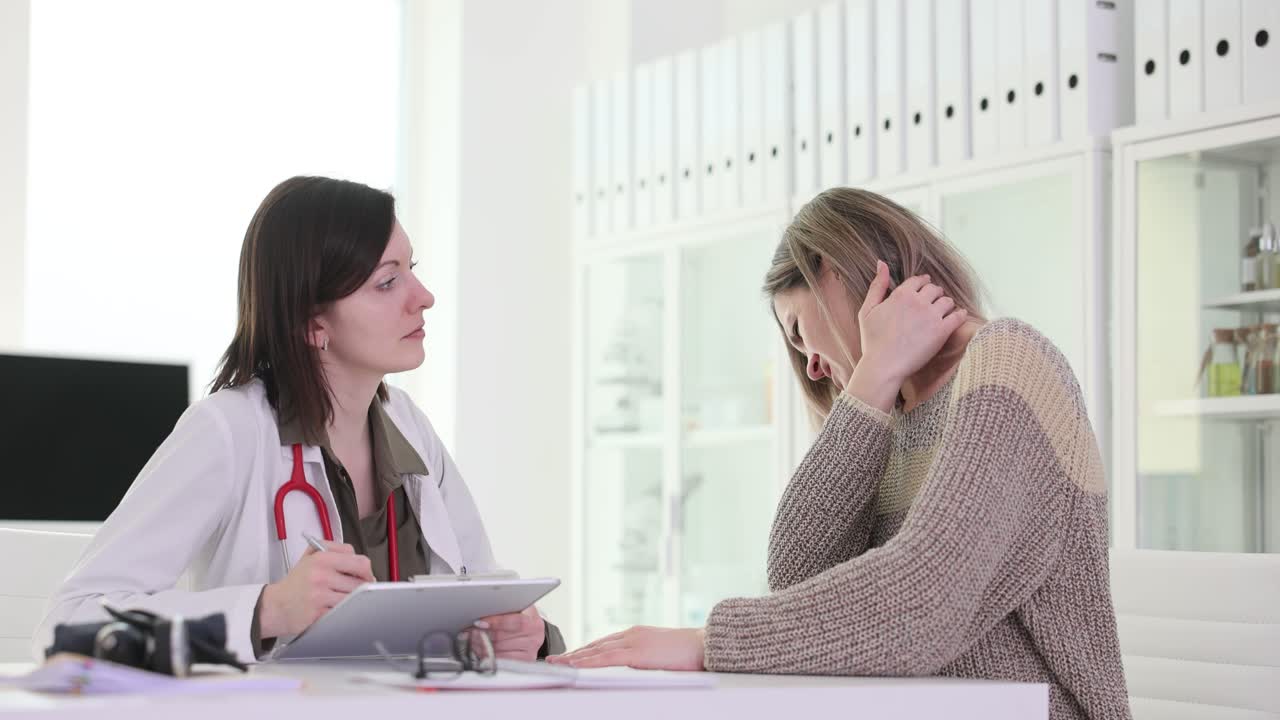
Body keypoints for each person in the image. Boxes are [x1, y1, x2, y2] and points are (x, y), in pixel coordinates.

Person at [550, 188, 1131, 720]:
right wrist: (871, 382)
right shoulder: (892, 412)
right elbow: (798, 574)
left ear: (833, 271)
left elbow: (922, 603)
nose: (811, 367)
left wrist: (709, 643)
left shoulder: (1007, 363)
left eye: (801, 332)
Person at [35, 176, 563, 663]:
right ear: (313, 324)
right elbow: (69, 622)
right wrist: (266, 610)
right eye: (387, 282)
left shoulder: (410, 428)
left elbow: (480, 592)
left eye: (413, 270)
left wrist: (514, 634)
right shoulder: (230, 432)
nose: (423, 298)